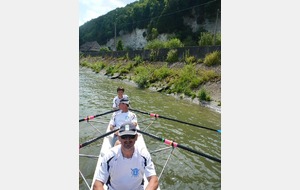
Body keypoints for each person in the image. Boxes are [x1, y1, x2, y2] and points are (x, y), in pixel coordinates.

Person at [93, 123, 159, 190]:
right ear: (119, 138)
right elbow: (97, 184)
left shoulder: (144, 154)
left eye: (131, 136)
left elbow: (154, 180)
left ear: (136, 137)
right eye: (124, 137)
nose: (128, 140)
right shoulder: (109, 156)